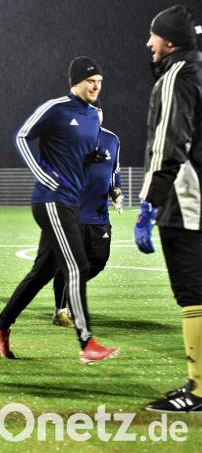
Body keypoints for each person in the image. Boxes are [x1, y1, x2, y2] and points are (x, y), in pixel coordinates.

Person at [0, 56, 118, 364]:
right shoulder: (57, 108)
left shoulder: (91, 116)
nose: (96, 86)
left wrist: (93, 158)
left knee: (43, 271)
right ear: (76, 82)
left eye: (99, 81)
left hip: (71, 202)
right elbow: (22, 136)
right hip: (51, 199)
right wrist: (41, 174)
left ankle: (0, 327)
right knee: (78, 267)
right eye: (90, 81)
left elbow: (76, 154)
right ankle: (86, 342)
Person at [136, 5, 202, 413]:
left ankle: (198, 389)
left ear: (170, 40)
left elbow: (168, 144)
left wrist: (149, 203)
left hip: (187, 202)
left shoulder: (178, 75)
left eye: (154, 35)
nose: (149, 43)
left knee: (193, 293)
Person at [52, 103, 122, 327]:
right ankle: (61, 309)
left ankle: (70, 290)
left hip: (99, 215)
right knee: (72, 264)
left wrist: (116, 193)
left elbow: (115, 172)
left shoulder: (112, 139)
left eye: (97, 111)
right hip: (74, 212)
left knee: (99, 261)